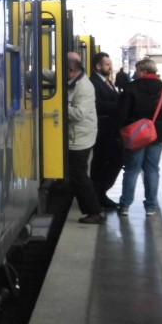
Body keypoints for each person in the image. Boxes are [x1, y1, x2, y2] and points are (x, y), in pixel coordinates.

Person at [115, 57, 162, 217]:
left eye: (138, 70)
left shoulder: (131, 88)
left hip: (135, 135)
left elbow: (122, 112)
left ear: (143, 71)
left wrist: (118, 132)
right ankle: (151, 207)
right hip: (157, 135)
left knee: (132, 170)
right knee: (152, 170)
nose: (136, 73)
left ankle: (125, 205)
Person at [66, 52, 103, 224]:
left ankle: (94, 211)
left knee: (79, 174)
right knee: (77, 173)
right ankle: (93, 209)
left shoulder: (84, 87)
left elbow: (78, 114)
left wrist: (59, 102)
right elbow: (49, 74)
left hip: (79, 136)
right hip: (78, 134)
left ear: (72, 69)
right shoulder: (74, 79)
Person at [88, 51, 123, 209]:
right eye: (107, 64)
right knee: (101, 163)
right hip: (102, 130)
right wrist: (121, 106)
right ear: (98, 66)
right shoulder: (93, 83)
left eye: (110, 64)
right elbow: (97, 106)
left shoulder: (106, 82)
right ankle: (97, 195)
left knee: (112, 161)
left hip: (111, 130)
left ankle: (100, 194)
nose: (111, 67)